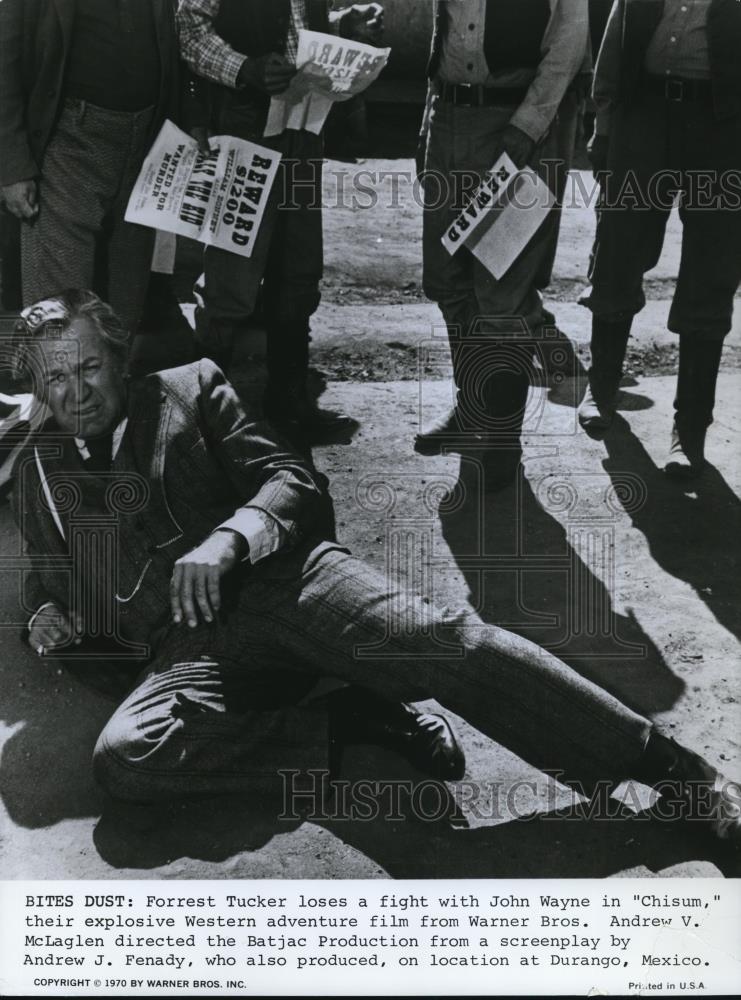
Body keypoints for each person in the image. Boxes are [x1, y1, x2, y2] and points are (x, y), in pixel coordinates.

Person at [10, 289, 741, 848]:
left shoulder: (188, 388)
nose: (76, 392)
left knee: (445, 642)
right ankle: (348, 724)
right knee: (127, 761)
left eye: (89, 367)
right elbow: (47, 575)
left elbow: (291, 479)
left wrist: (230, 537)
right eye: (56, 379)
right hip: (188, 652)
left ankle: (675, 773)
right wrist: (44, 613)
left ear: (120, 356)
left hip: (287, 588)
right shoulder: (39, 471)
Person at [176, 0, 384, 440]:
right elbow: (187, 28)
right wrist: (243, 68)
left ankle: (289, 403)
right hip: (245, 120)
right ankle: (202, 416)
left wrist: (340, 25)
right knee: (231, 276)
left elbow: (295, 28)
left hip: (304, 124)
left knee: (298, 269)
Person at [415, 0, 590, 490]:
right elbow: (445, 32)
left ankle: (501, 437)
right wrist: (428, 124)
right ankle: (471, 409)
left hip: (516, 126)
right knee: (448, 281)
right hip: (449, 118)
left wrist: (528, 125)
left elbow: (568, 45)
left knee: (501, 292)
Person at [578, 0, 741, 479]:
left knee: (712, 269)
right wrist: (604, 126)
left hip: (722, 128)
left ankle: (689, 430)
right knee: (618, 249)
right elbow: (615, 43)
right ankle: (601, 388)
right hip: (643, 118)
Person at [0, 0, 185, 333]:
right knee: (61, 313)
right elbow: (4, 58)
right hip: (68, 142)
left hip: (145, 146)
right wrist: (12, 165)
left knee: (122, 314)